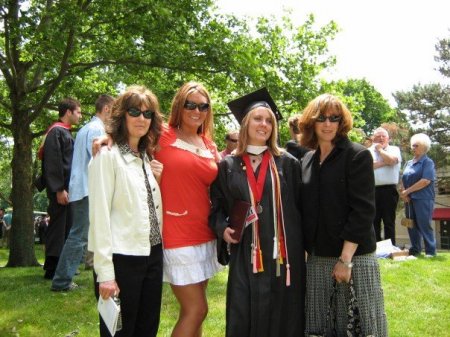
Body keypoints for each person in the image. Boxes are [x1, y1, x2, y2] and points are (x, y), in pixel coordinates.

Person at [209, 87, 305, 337]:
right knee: (243, 308)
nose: (263, 124)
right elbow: (216, 208)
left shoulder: (287, 163)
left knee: (284, 312)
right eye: (257, 118)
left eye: (268, 120)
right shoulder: (228, 165)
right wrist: (223, 229)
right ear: (245, 123)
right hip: (247, 252)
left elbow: (301, 208)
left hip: (283, 252)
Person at [299, 94, 387, 336]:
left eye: (334, 118)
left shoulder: (357, 155)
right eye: (321, 118)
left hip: (353, 258)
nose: (328, 124)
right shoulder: (307, 160)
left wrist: (345, 259)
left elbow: (363, 211)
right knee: (321, 327)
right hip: (318, 258)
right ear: (311, 123)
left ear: (341, 122)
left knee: (361, 327)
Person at [88, 85, 164, 337]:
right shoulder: (106, 156)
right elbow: (99, 219)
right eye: (134, 111)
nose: (141, 118)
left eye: (147, 113)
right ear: (122, 115)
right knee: (120, 332)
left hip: (152, 255)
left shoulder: (144, 157)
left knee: (146, 329)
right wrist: (106, 275)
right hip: (122, 260)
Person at [152, 81, 223, 337]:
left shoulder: (209, 144)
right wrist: (105, 139)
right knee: (197, 309)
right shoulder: (161, 133)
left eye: (203, 106)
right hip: (176, 232)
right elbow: (127, 132)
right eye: (190, 104)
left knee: (193, 313)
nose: (197, 111)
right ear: (179, 106)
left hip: (204, 232)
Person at [51, 94, 114, 292]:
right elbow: (100, 159)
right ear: (106, 109)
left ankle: (65, 278)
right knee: (78, 236)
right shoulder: (97, 129)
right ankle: (61, 281)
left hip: (81, 188)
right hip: (87, 189)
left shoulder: (86, 128)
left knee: (80, 235)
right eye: (114, 110)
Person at [41, 98, 82, 279]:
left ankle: (62, 267)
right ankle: (52, 269)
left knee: (66, 227)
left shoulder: (64, 132)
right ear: (68, 112)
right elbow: (53, 162)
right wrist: (58, 189)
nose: (80, 115)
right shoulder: (56, 132)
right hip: (60, 190)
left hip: (66, 189)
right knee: (58, 228)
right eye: (78, 112)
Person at [400, 133, 437, 257]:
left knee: (424, 224)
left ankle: (430, 251)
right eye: (412, 145)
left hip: (423, 198)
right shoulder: (408, 163)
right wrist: (403, 192)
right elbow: (403, 178)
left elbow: (425, 181)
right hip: (409, 199)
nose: (413, 147)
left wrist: (407, 191)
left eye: (416, 145)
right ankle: (415, 250)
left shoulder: (428, 162)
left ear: (424, 147)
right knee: (411, 224)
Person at [369, 127, 402, 245]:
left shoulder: (394, 149)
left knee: (389, 221)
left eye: (383, 136)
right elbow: (368, 166)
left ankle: (390, 247)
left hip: (389, 190)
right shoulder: (368, 151)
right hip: (372, 190)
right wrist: (386, 162)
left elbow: (393, 161)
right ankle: (376, 247)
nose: (381, 138)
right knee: (374, 220)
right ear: (373, 138)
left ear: (388, 138)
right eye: (378, 136)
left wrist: (380, 151)